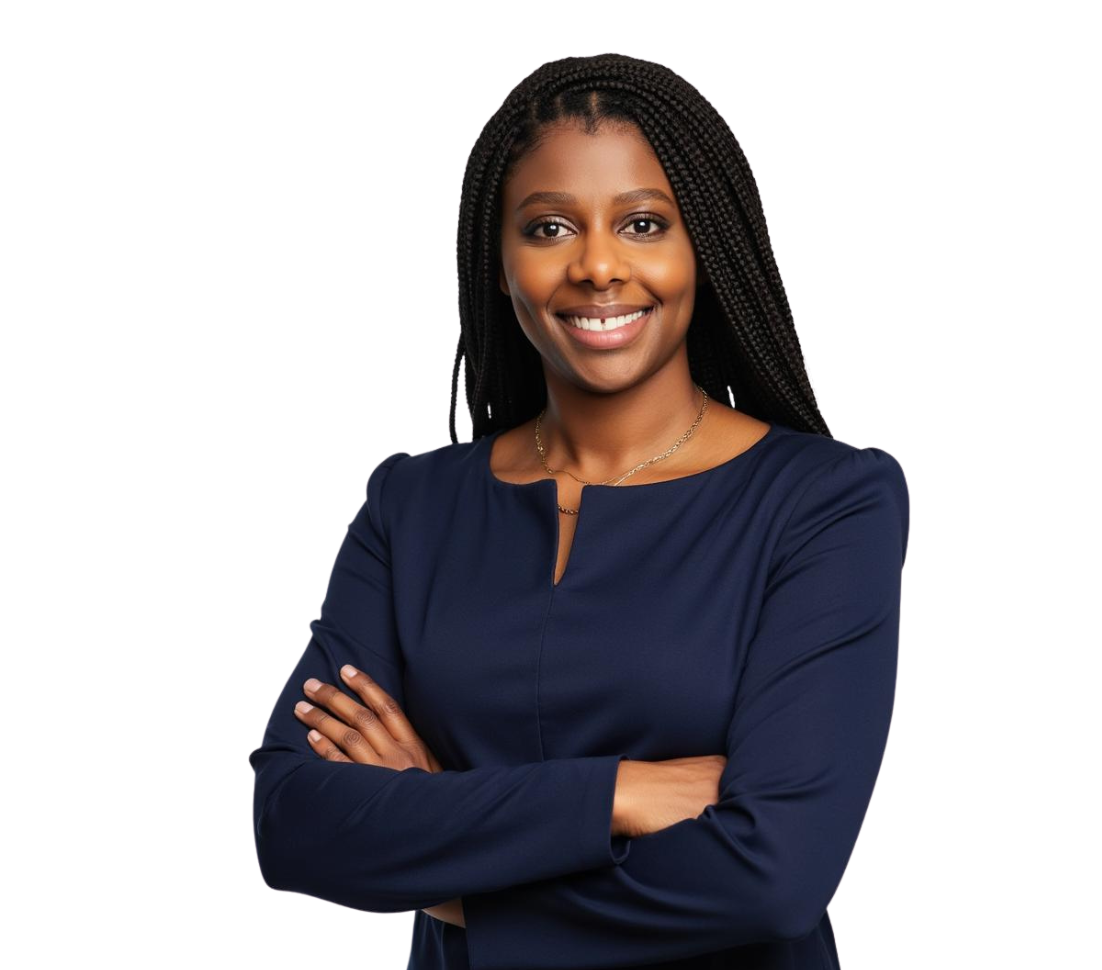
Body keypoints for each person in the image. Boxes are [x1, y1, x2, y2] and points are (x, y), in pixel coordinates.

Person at [248, 52, 910, 970]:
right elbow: (293, 821)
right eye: (550, 226)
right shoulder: (413, 503)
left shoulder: (825, 500)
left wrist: (442, 867)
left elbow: (775, 876)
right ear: (500, 256)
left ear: (702, 247)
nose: (598, 266)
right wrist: (617, 795)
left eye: (643, 223)